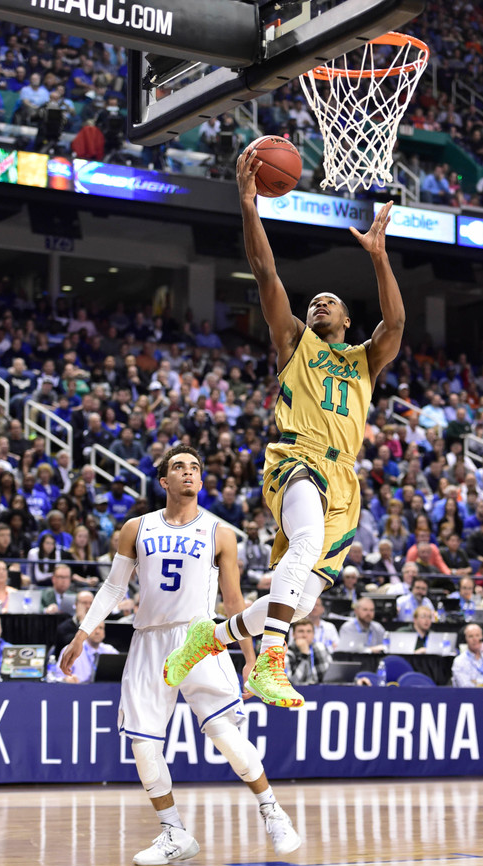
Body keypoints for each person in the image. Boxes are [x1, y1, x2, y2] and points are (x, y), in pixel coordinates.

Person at [164, 148, 405, 707]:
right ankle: (271, 662)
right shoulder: (295, 341)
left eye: (331, 302)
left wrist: (379, 256)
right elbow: (266, 272)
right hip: (297, 457)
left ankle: (213, 636)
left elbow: (395, 322)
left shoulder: (367, 359)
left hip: (345, 479)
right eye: (315, 300)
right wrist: (250, 205)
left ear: (347, 319)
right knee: (301, 546)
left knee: (298, 601)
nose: (319, 302)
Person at [60, 445, 300, 865]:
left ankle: (273, 812)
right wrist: (82, 632)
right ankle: (174, 834)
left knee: (225, 734)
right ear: (163, 480)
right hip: (148, 639)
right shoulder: (136, 527)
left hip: (201, 637)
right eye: (178, 467)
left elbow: (234, 600)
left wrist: (250, 658)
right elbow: (115, 588)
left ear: (201, 481)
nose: (188, 473)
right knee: (142, 743)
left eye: (194, 468)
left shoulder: (220, 532)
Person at [284, 618, 333, 684]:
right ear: (293, 635)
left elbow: (330, 677)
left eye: (309, 631)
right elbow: (292, 682)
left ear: (313, 634)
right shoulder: (285, 652)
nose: (305, 635)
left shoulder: (320, 648)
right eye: (301, 631)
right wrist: (304, 655)